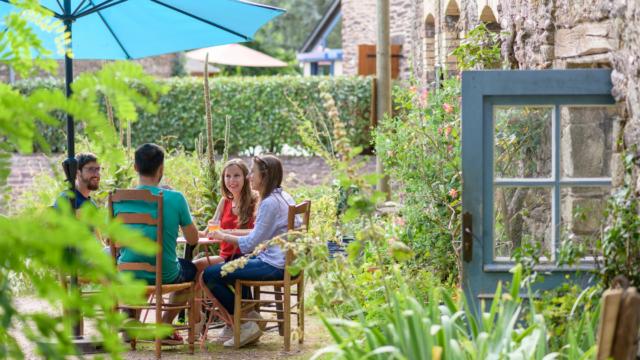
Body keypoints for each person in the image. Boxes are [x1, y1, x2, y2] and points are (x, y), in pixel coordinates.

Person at [203, 154, 299, 348]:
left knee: (210, 276)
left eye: (252, 172)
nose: (249, 177)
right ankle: (250, 317)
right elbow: (258, 237)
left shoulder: (269, 202)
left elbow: (251, 242)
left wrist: (223, 236)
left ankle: (246, 323)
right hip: (280, 261)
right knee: (224, 268)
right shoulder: (283, 196)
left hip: (273, 265)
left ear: (264, 175)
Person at [114, 143, 199, 345]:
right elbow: (193, 240)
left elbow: (115, 242)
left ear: (135, 167)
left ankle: (131, 320)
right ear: (161, 168)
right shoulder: (175, 198)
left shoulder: (119, 198)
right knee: (191, 270)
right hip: (165, 273)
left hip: (127, 272)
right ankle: (164, 326)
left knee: (136, 268)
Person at [192, 159, 259, 342]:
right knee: (196, 267)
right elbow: (210, 230)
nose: (232, 180)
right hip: (225, 255)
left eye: (236, 175)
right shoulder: (224, 201)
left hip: (245, 255)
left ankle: (235, 321)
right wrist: (189, 230)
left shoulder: (254, 199)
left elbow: (257, 232)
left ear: (245, 177)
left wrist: (227, 232)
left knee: (207, 276)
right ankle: (202, 320)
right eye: (228, 176)